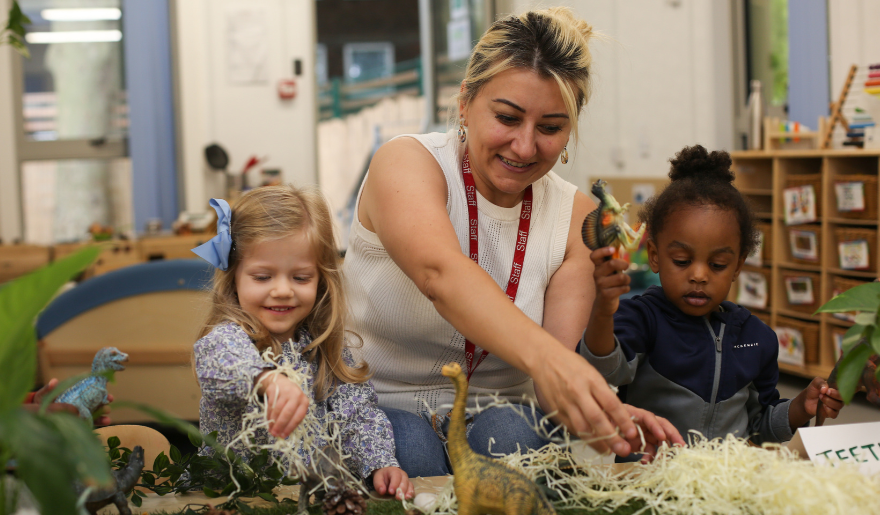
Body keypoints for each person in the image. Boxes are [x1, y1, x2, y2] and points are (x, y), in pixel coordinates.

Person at [343, 7, 683, 478]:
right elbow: (439, 273)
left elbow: (552, 388)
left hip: (499, 411)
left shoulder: (576, 217)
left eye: (549, 128)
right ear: (465, 102)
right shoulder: (407, 163)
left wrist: (603, 412)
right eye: (507, 117)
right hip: (380, 403)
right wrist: (548, 362)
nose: (524, 147)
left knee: (518, 442)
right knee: (411, 452)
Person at [579, 145, 845, 445]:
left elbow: (760, 426)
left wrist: (799, 408)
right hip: (650, 478)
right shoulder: (641, 318)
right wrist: (603, 308)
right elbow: (600, 374)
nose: (699, 275)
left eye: (718, 265)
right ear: (655, 256)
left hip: (724, 483)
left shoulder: (758, 338)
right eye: (681, 261)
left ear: (737, 266)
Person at [191, 186, 412, 499]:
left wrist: (380, 463)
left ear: (321, 279)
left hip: (308, 497)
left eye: (300, 277)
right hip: (238, 496)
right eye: (263, 277)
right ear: (234, 277)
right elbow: (218, 360)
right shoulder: (230, 339)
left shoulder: (322, 348)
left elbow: (356, 416)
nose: (282, 290)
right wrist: (267, 380)